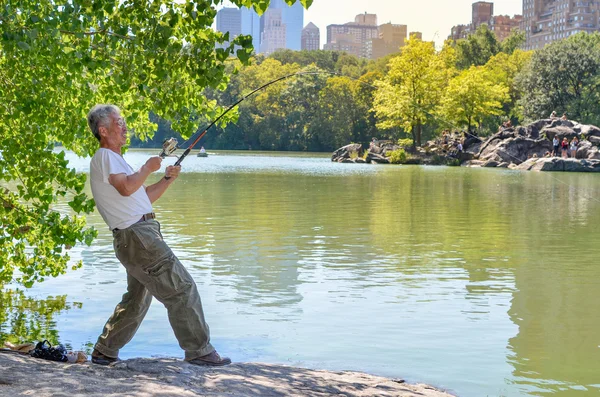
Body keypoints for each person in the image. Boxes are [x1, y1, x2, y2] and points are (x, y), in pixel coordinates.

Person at [87, 104, 230, 367]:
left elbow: (143, 198)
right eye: (119, 122)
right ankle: (199, 351)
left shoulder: (115, 161)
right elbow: (128, 187)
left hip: (136, 236)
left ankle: (104, 351)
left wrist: (166, 179)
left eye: (124, 121)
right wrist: (146, 167)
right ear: (103, 130)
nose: (124, 126)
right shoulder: (105, 157)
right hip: (139, 237)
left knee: (137, 298)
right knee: (182, 288)